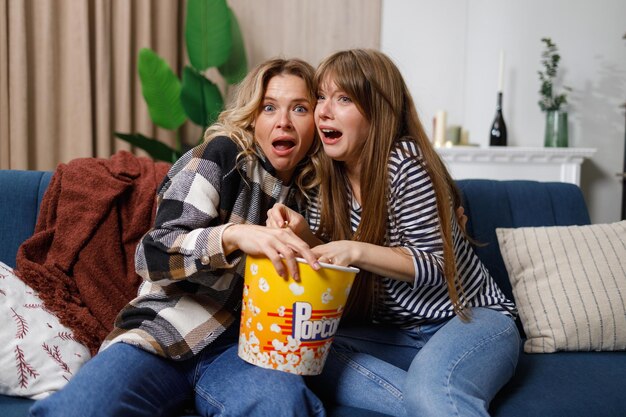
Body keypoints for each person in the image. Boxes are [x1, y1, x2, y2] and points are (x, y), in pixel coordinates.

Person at [30, 58, 325, 417]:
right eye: (269, 107)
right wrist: (234, 235)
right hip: (164, 330)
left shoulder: (316, 193)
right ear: (252, 117)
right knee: (78, 409)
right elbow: (152, 254)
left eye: (299, 108)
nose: (283, 121)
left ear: (317, 120)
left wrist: (308, 239)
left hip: (245, 352)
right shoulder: (221, 156)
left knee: (283, 406)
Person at [267, 49, 521, 417]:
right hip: (396, 334)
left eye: (343, 99)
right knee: (302, 351)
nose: (323, 111)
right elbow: (338, 266)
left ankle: (434, 396)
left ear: (378, 112)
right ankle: (434, 405)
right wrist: (306, 234)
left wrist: (355, 250)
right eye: (321, 97)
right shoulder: (325, 180)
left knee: (429, 388)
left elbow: (434, 265)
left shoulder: (405, 163)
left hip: (471, 318)